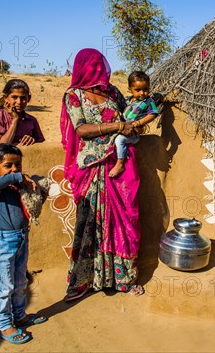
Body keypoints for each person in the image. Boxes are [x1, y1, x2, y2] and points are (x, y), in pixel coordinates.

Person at [60, 48, 145, 301]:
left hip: (119, 163)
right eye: (94, 65)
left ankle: (123, 278)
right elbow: (82, 130)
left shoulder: (112, 92)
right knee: (90, 222)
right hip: (93, 167)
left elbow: (131, 112)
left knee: (122, 220)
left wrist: (144, 113)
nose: (99, 70)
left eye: (101, 64)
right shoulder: (73, 95)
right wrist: (118, 126)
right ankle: (85, 279)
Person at [0, 144, 48, 344]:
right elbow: (8, 179)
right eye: (7, 165)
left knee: (20, 281)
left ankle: (20, 316)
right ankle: (5, 324)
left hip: (21, 238)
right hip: (5, 242)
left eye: (18, 165)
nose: (14, 169)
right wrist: (20, 176)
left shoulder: (14, 187)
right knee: (6, 286)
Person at [108, 71, 159, 178]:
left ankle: (120, 163)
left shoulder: (148, 101)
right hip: (125, 129)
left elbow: (153, 114)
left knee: (119, 140)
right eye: (138, 90)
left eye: (145, 89)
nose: (142, 93)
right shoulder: (128, 100)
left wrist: (138, 123)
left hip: (133, 133)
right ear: (129, 89)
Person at [0, 79, 45, 146]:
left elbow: (41, 145)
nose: (19, 102)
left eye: (23, 98)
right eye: (14, 97)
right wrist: (15, 119)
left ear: (29, 98)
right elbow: (2, 145)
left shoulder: (32, 120)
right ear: (5, 98)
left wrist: (32, 140)